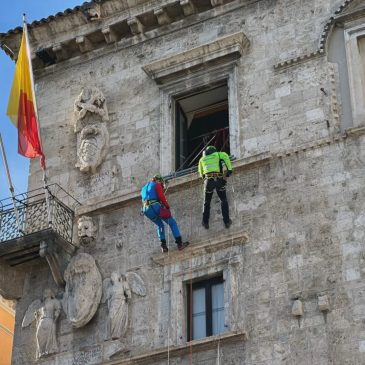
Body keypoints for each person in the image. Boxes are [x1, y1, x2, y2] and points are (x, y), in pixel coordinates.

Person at [141, 174, 188, 252]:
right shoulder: (157, 185)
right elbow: (162, 197)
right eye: (161, 183)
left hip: (146, 210)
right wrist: (167, 206)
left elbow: (148, 196)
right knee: (172, 223)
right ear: (158, 180)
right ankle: (180, 244)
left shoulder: (143, 189)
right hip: (155, 206)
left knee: (160, 225)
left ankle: (163, 247)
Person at [198, 146, 233, 229]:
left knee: (207, 202)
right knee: (223, 200)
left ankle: (205, 222)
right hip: (218, 180)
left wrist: (205, 178)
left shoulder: (202, 159)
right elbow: (226, 156)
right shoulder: (218, 154)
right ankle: (227, 221)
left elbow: (201, 173)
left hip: (208, 181)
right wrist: (229, 170)